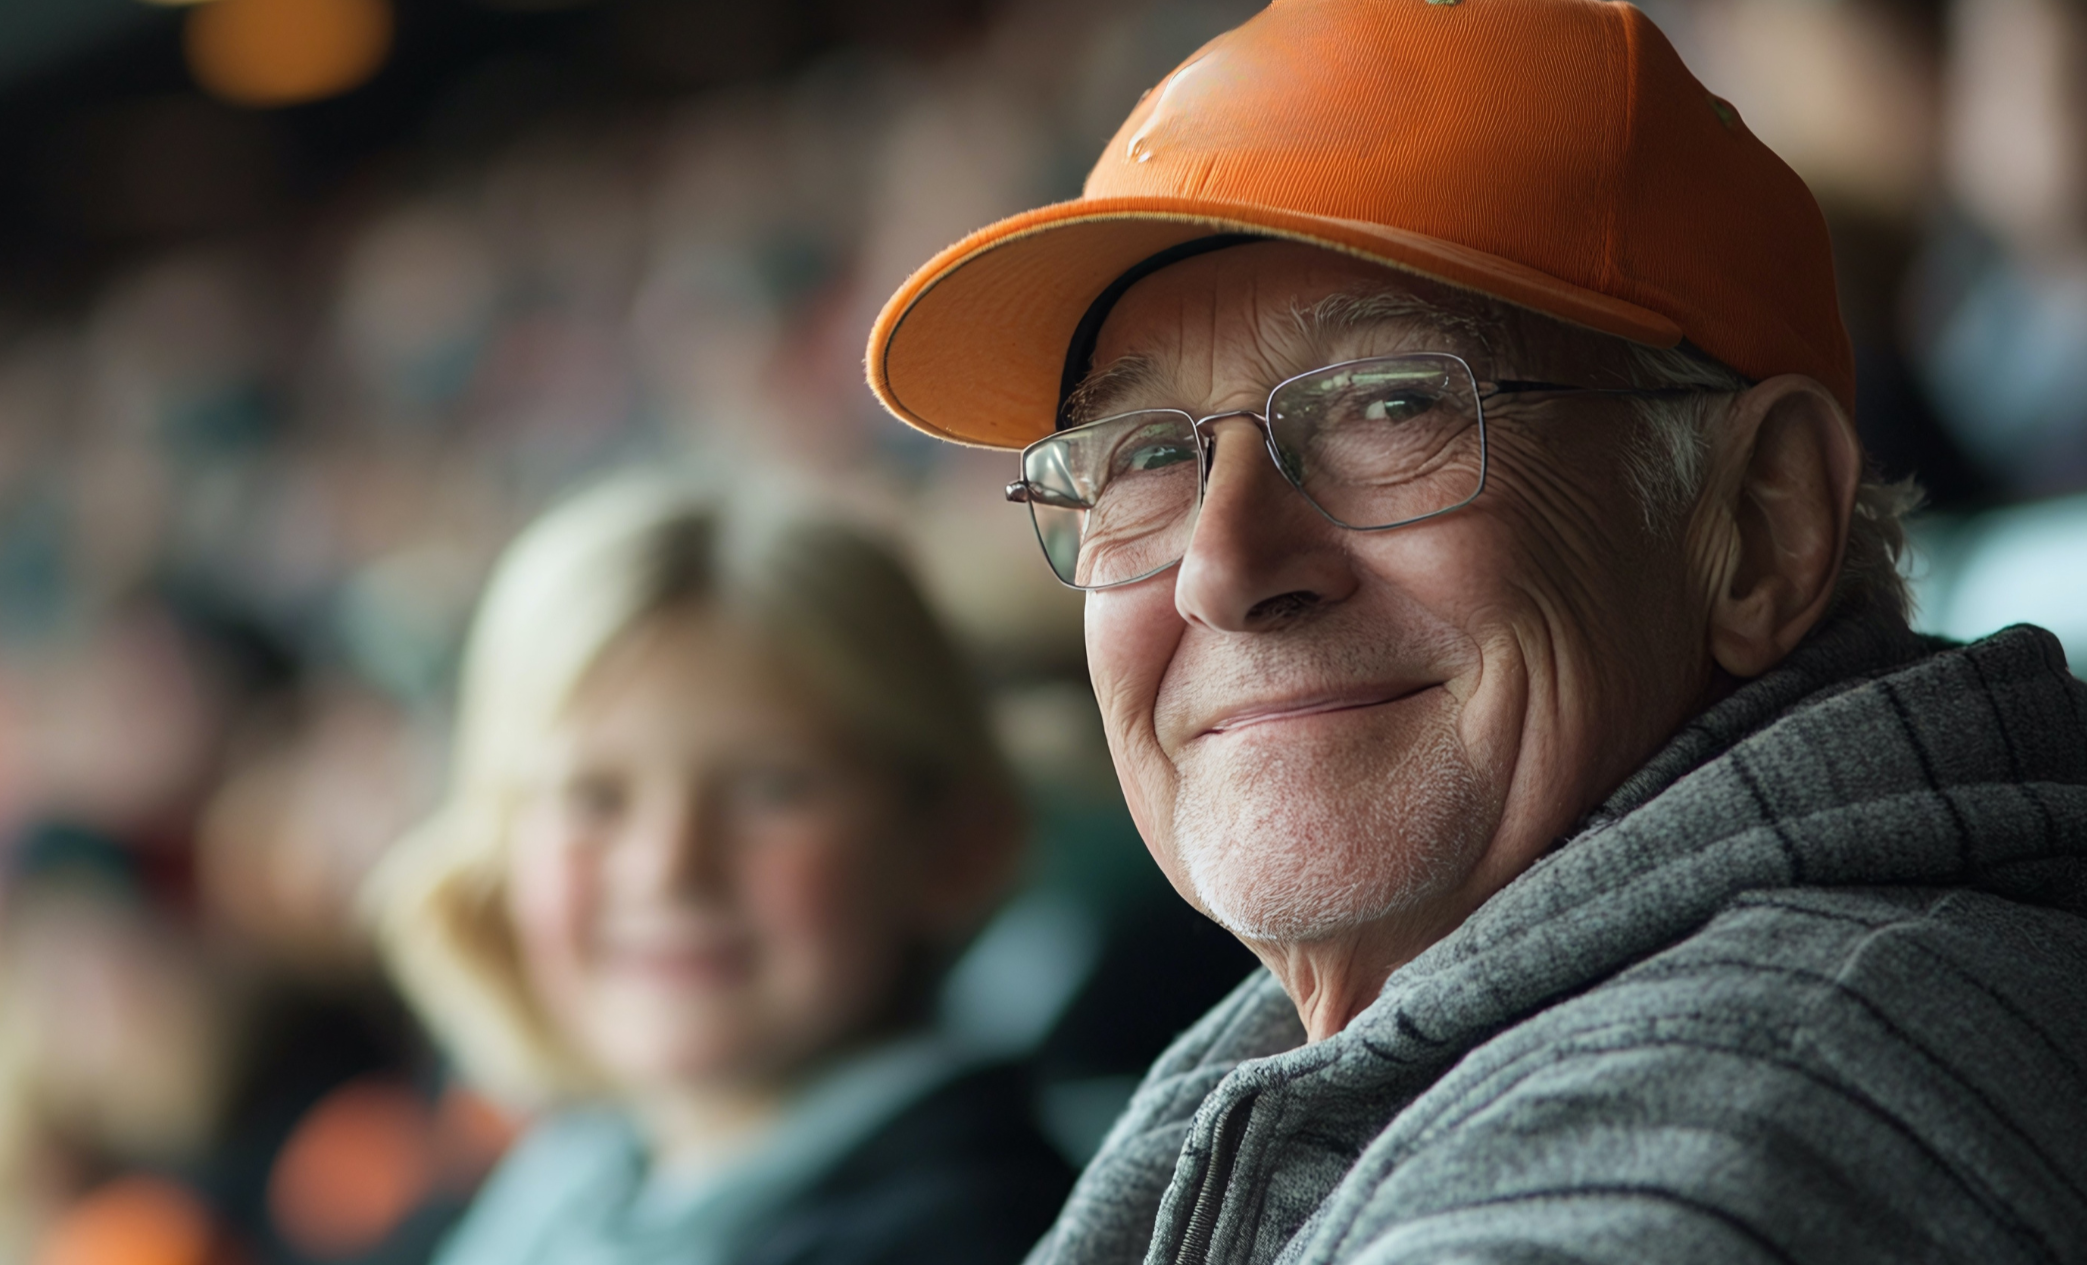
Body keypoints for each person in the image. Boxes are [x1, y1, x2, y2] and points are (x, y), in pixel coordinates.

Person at [859, 0, 2087, 1260]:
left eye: (1390, 404)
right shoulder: (1393, 1032)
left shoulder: (1696, 1158)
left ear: (1764, 521)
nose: (1220, 569)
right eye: (1143, 454)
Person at [367, 476, 1073, 1265]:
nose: (668, 867)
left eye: (771, 788)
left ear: (951, 842)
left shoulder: (982, 1231)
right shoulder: (562, 1182)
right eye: (591, 797)